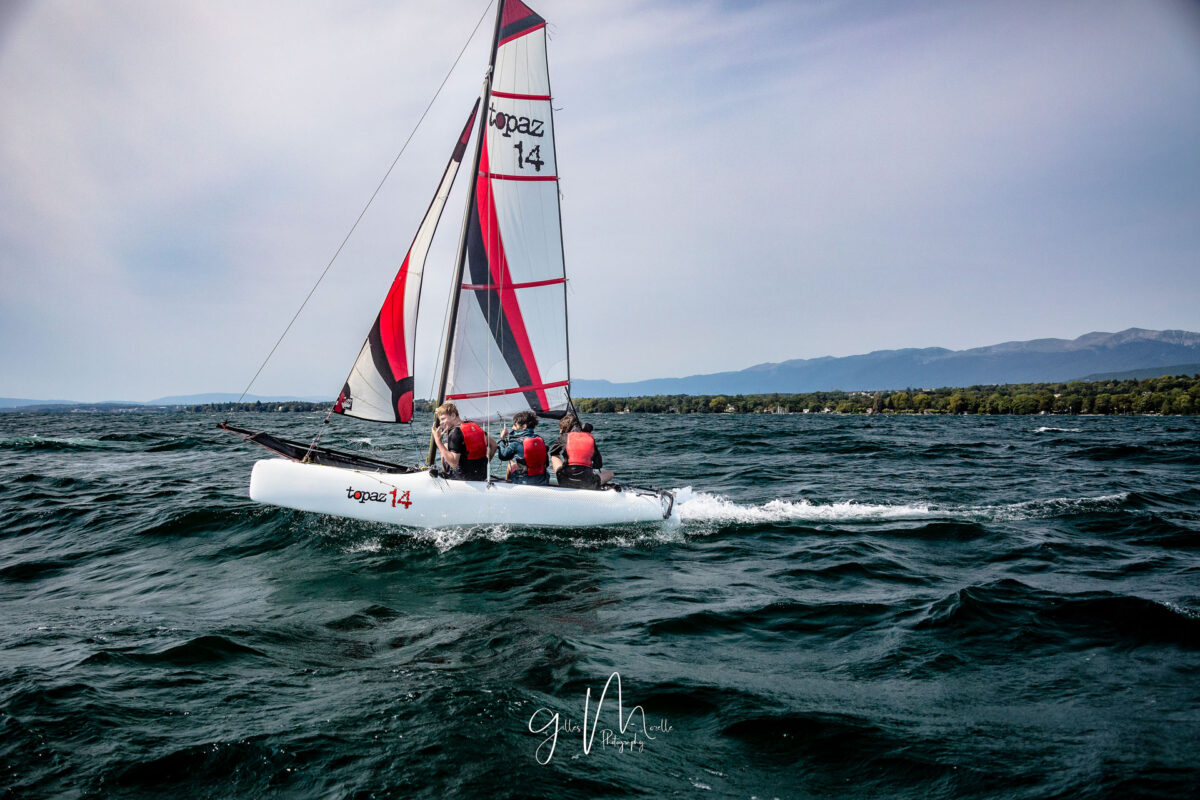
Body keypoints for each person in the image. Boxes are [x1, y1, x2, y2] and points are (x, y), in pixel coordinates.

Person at [431, 402, 496, 481]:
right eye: (440, 420)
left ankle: (447, 474)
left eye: (443, 419)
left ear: (453, 416)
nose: (441, 423)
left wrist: (438, 441)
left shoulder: (455, 432)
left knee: (444, 448)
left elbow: (454, 463)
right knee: (447, 445)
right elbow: (494, 445)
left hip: (463, 477)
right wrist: (486, 463)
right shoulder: (473, 425)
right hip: (482, 475)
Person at [549, 414, 613, 490]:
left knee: (554, 456)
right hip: (588, 483)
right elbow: (598, 465)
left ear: (566, 428)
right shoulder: (590, 438)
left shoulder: (564, 437)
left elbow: (552, 451)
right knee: (610, 473)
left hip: (565, 481)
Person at [496, 410, 550, 486]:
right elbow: (547, 463)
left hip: (523, 481)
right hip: (542, 480)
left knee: (510, 464)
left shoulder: (517, 442)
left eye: (515, 425)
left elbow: (502, 456)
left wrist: (502, 439)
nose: (512, 428)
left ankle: (508, 484)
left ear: (524, 426)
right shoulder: (540, 440)